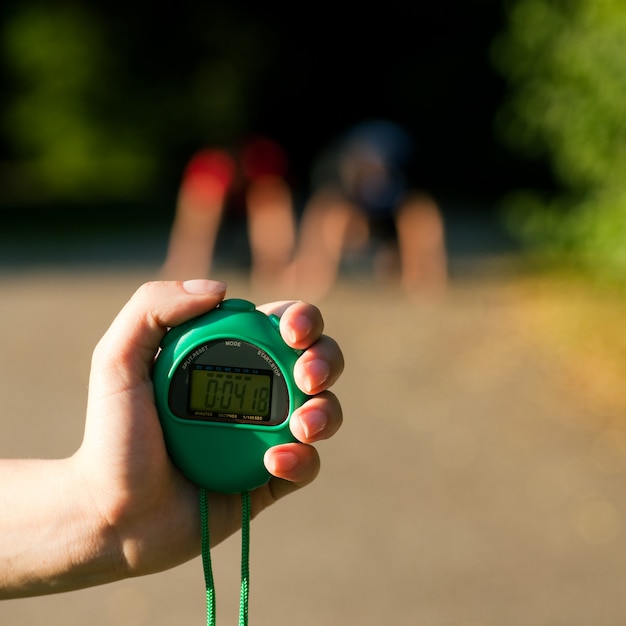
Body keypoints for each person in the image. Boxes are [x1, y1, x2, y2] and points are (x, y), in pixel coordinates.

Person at [0, 279, 344, 598]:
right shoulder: (250, 339)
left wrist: (108, 519)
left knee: (305, 355)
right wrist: (103, 515)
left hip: (245, 468)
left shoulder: (189, 341)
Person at [290, 119, 448, 301]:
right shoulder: (340, 179)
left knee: (419, 215)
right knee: (335, 216)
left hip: (391, 207)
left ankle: (426, 278)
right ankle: (316, 274)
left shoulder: (402, 172)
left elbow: (418, 208)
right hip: (362, 207)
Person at [160, 135, 296, 295]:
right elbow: (195, 226)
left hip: (257, 162)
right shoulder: (211, 166)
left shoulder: (263, 160)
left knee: (269, 194)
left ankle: (273, 268)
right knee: (205, 199)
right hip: (217, 168)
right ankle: (186, 269)